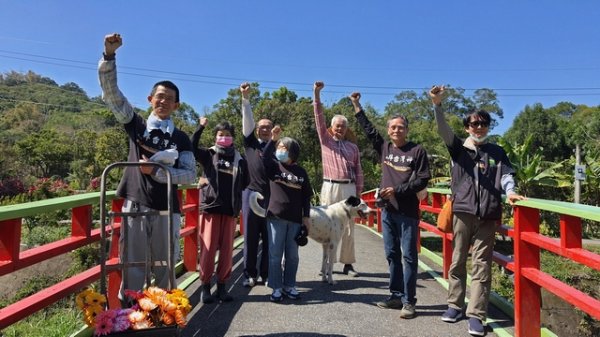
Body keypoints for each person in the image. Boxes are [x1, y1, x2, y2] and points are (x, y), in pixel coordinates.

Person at [98, 33, 197, 301]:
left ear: (176, 106)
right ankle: (130, 316)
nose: (163, 101)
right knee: (132, 264)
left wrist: (156, 172)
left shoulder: (181, 137)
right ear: (150, 98)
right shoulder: (136, 124)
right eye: (159, 96)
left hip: (168, 209)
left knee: (165, 266)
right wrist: (109, 55)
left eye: (169, 99)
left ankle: (164, 317)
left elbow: (190, 174)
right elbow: (112, 96)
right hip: (136, 203)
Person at [429, 85, 525, 336]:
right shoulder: (458, 148)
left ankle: (476, 315)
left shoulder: (496, 151)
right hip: (463, 211)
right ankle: (454, 305)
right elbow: (442, 129)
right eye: (474, 124)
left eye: (483, 123)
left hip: (488, 215)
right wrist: (437, 105)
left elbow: (505, 176)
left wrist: (511, 192)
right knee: (458, 259)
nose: (479, 127)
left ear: (488, 126)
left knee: (482, 265)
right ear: (467, 127)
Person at [351, 92, 430, 319]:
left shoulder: (417, 151)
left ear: (407, 130)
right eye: (393, 127)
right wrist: (357, 105)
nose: (397, 130)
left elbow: (423, 179)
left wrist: (397, 190)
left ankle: (409, 302)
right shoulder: (385, 148)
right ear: (388, 131)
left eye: (401, 127)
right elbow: (368, 129)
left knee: (409, 257)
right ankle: (395, 296)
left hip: (407, 212)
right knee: (392, 254)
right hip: (388, 210)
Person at [192, 117, 249, 303]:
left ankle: (222, 287)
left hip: (230, 210)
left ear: (233, 138)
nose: (224, 138)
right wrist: (200, 127)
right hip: (211, 209)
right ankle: (206, 287)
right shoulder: (208, 154)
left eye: (227, 135)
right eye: (220, 134)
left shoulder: (239, 160)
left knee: (226, 251)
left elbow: (246, 181)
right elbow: (191, 147)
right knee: (208, 250)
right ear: (215, 136)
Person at [312, 81, 364, 277]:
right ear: (332, 128)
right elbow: (318, 118)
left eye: (343, 126)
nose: (339, 128)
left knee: (349, 227)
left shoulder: (353, 148)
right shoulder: (326, 141)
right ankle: (327, 263)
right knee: (326, 223)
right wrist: (316, 94)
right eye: (337, 125)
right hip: (330, 186)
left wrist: (358, 193)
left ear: (346, 128)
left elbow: (359, 170)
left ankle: (348, 264)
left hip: (349, 188)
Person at [263, 125, 312, 302]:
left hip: (295, 219)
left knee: (292, 255)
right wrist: (273, 139)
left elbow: (306, 196)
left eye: (284, 148)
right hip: (275, 217)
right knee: (275, 254)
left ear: (293, 152)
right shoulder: (273, 167)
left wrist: (306, 217)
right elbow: (264, 157)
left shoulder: (301, 172)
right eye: (279, 148)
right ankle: (276, 287)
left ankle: (290, 285)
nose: (280, 151)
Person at [240, 83, 273, 287]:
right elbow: (247, 121)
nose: (264, 129)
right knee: (250, 237)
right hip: (250, 194)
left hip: (271, 198)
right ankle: (249, 274)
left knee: (269, 237)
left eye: (268, 127)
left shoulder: (278, 147)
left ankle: (267, 274)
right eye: (261, 126)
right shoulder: (250, 144)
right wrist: (245, 99)